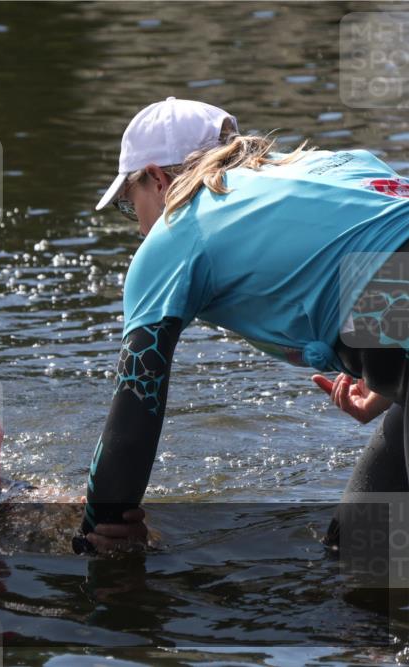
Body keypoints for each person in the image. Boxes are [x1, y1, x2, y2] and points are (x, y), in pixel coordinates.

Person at [78, 96, 409, 553]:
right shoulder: (336, 164)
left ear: (156, 179)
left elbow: (135, 411)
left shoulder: (178, 230)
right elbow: (390, 240)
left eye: (130, 206)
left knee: (374, 569)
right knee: (360, 549)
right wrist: (387, 373)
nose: (139, 229)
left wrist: (101, 528)